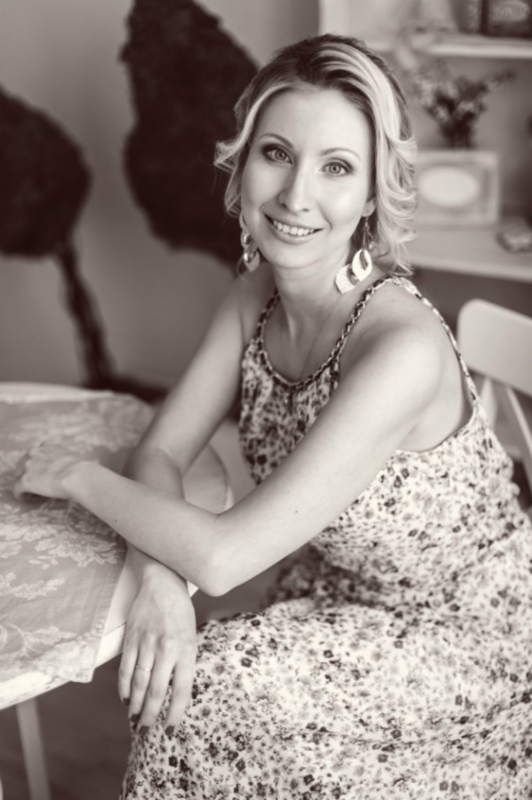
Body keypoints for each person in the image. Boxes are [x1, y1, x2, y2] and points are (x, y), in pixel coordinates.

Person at [14, 34, 532, 799]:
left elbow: (224, 560)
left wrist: (78, 479)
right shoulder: (253, 295)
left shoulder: (401, 351)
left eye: (337, 167)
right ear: (243, 160)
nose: (295, 196)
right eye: (277, 153)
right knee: (182, 665)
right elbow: (160, 452)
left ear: (372, 194)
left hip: (470, 638)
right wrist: (157, 581)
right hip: (334, 591)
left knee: (201, 685)